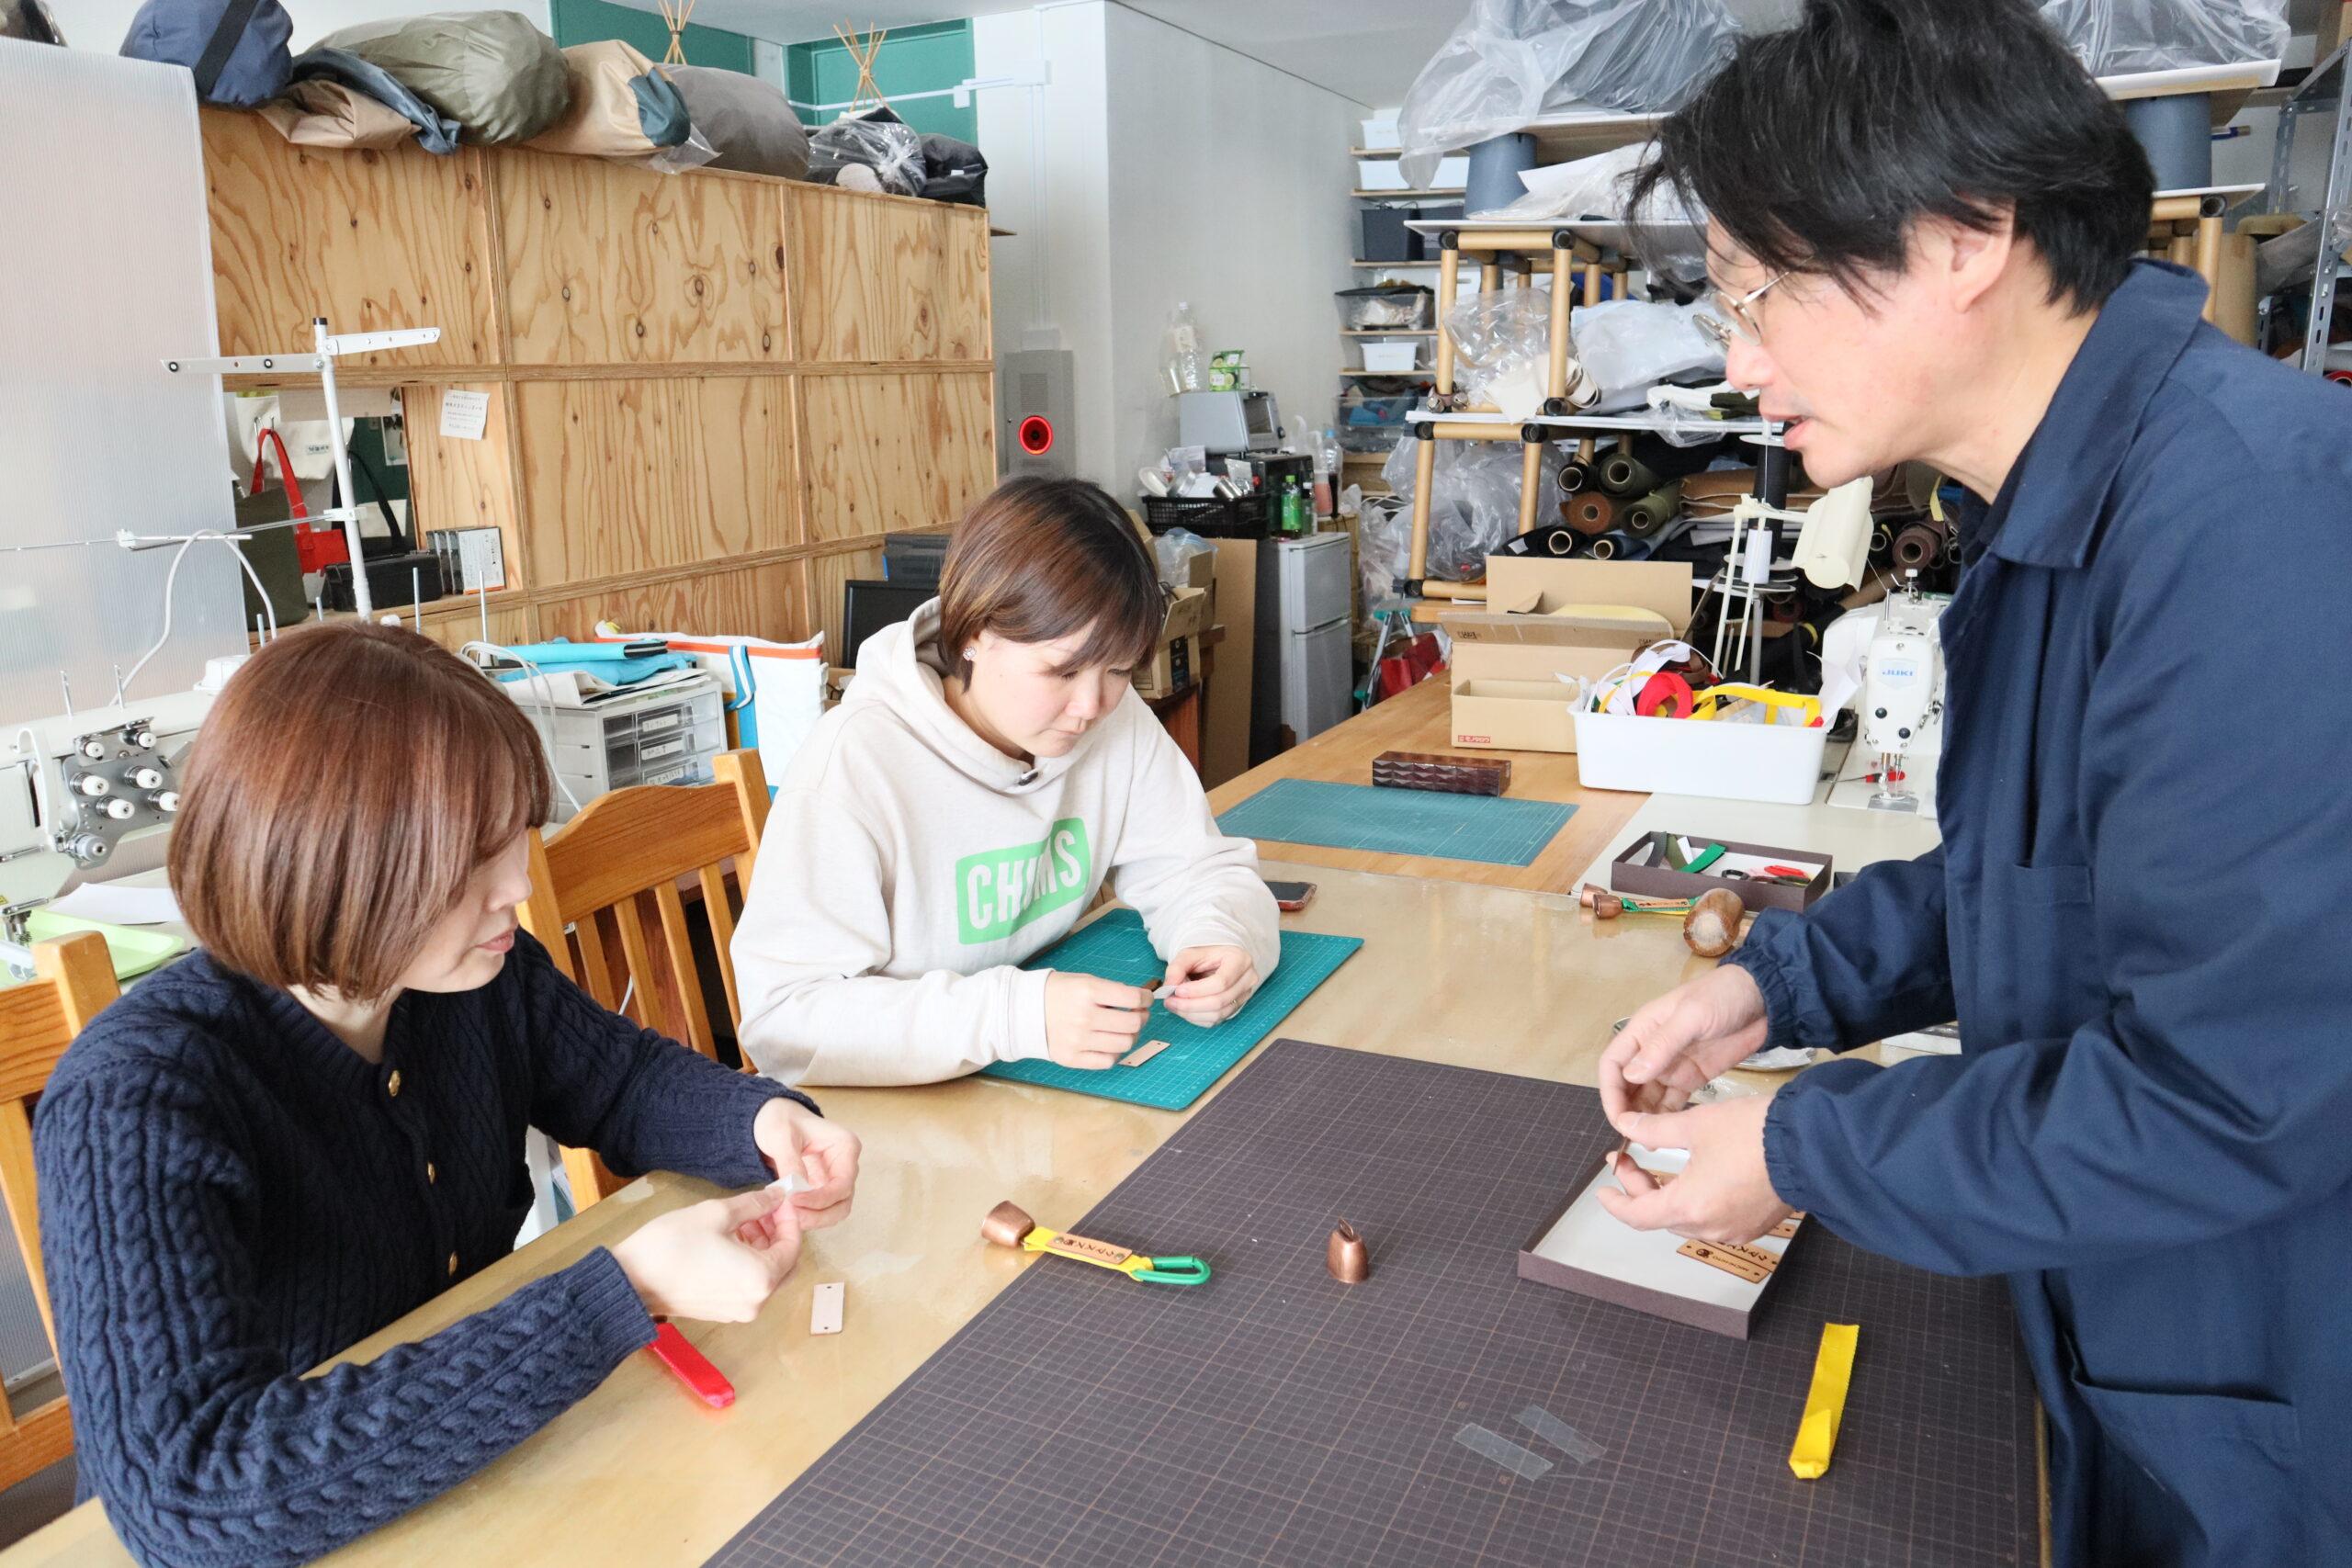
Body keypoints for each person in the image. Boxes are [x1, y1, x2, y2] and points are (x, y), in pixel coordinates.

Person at [1591, 4, 2351, 1564]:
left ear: (1964, 236)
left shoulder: (2256, 526)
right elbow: (2041, 868)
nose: (1739, 364)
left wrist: (1802, 1147)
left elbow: (2222, 1093)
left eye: (1757, 293)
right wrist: (1781, 985)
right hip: (2141, 1320)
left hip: (2268, 1384)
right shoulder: (2059, 497)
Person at [35, 624, 862, 1568]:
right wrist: (624, 1289)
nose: (518, 882)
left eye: (514, 833)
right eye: (471, 857)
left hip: (455, 1491)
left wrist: (759, 1120)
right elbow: (190, 1497)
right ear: (334, 861)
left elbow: (621, 1082)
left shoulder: (472, 980)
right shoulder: (137, 1099)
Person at [732, 477, 1280, 1086]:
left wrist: (1221, 937)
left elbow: (1197, 869)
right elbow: (783, 1018)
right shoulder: (857, 763)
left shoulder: (1111, 719)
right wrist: (1013, 1014)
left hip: (1021, 1090)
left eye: (1119, 670)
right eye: (1061, 671)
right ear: (973, 633)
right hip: (883, 1118)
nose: (1091, 704)